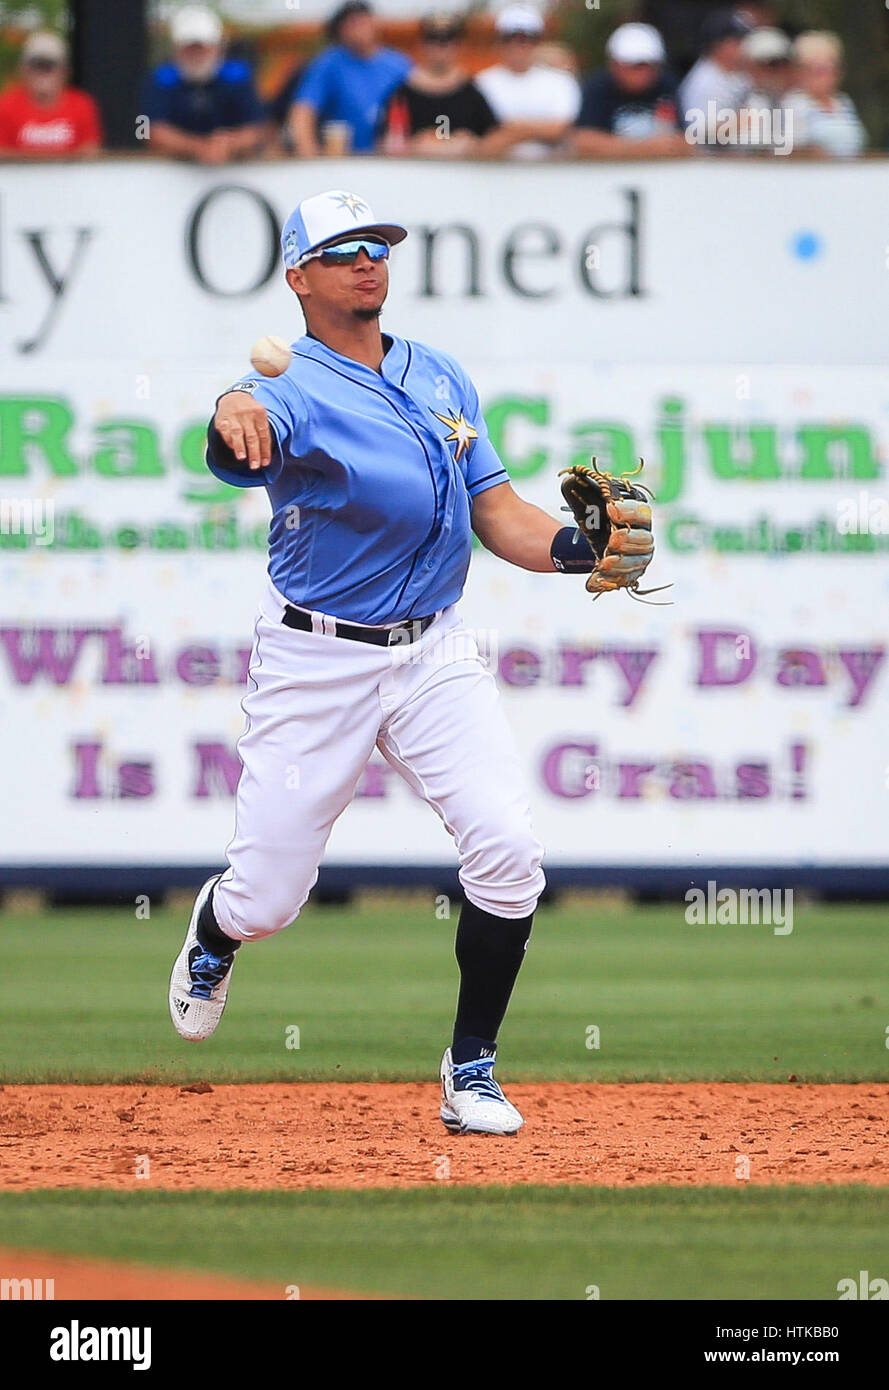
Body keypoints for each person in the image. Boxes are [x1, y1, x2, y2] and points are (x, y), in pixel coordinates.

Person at [167, 187, 640, 1136]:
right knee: (268, 899)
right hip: (316, 660)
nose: (368, 262)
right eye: (343, 252)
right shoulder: (286, 389)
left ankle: (471, 1070)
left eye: (377, 246)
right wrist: (230, 408)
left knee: (508, 854)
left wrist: (579, 553)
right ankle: (217, 930)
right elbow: (235, 436)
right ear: (300, 277)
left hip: (432, 651)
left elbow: (496, 513)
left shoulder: (440, 376)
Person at [141, 4, 265, 163]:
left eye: (202, 48)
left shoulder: (238, 77)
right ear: (176, 49)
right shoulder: (160, 79)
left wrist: (229, 143)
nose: (196, 55)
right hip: (171, 172)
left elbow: (257, 129)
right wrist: (198, 147)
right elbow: (149, 132)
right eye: (189, 48)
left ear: (217, 47)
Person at [289, 2, 410, 156]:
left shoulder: (399, 65)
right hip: (343, 161)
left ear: (375, 23)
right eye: (351, 23)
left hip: (391, 161)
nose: (358, 29)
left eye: (362, 21)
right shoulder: (329, 64)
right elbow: (303, 111)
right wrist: (309, 153)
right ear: (341, 30)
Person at [376, 13, 502, 158]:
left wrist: (471, 145)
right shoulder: (402, 93)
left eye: (447, 40)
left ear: (459, 46)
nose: (440, 47)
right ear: (421, 45)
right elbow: (385, 143)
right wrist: (418, 146)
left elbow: (493, 138)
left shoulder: (472, 92)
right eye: (433, 39)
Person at [474, 4, 581, 161]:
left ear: (537, 41)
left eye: (525, 38)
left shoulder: (560, 82)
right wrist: (538, 129)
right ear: (499, 40)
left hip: (551, 173)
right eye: (509, 38)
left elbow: (560, 130)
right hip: (498, 172)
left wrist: (510, 132)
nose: (517, 45)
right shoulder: (482, 83)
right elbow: (482, 137)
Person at [571, 22, 688, 160]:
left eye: (645, 65)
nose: (639, 73)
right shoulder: (596, 88)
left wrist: (614, 146)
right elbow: (582, 141)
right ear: (613, 65)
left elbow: (685, 142)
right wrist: (644, 148)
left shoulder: (668, 85)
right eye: (631, 65)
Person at [0, 30, 102, 157]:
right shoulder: (6, 106)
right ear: (23, 70)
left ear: (65, 71)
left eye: (50, 66)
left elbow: (91, 154)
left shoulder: (81, 105)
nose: (43, 74)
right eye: (37, 66)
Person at [783, 32, 866, 159]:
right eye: (817, 71)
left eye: (830, 69)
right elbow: (790, 150)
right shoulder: (794, 104)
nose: (825, 77)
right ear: (801, 72)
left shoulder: (844, 102)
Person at [678, 8, 752, 129]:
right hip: (708, 147)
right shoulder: (702, 81)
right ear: (717, 44)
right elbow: (699, 132)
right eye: (737, 41)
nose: (744, 45)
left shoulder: (738, 74)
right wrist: (741, 123)